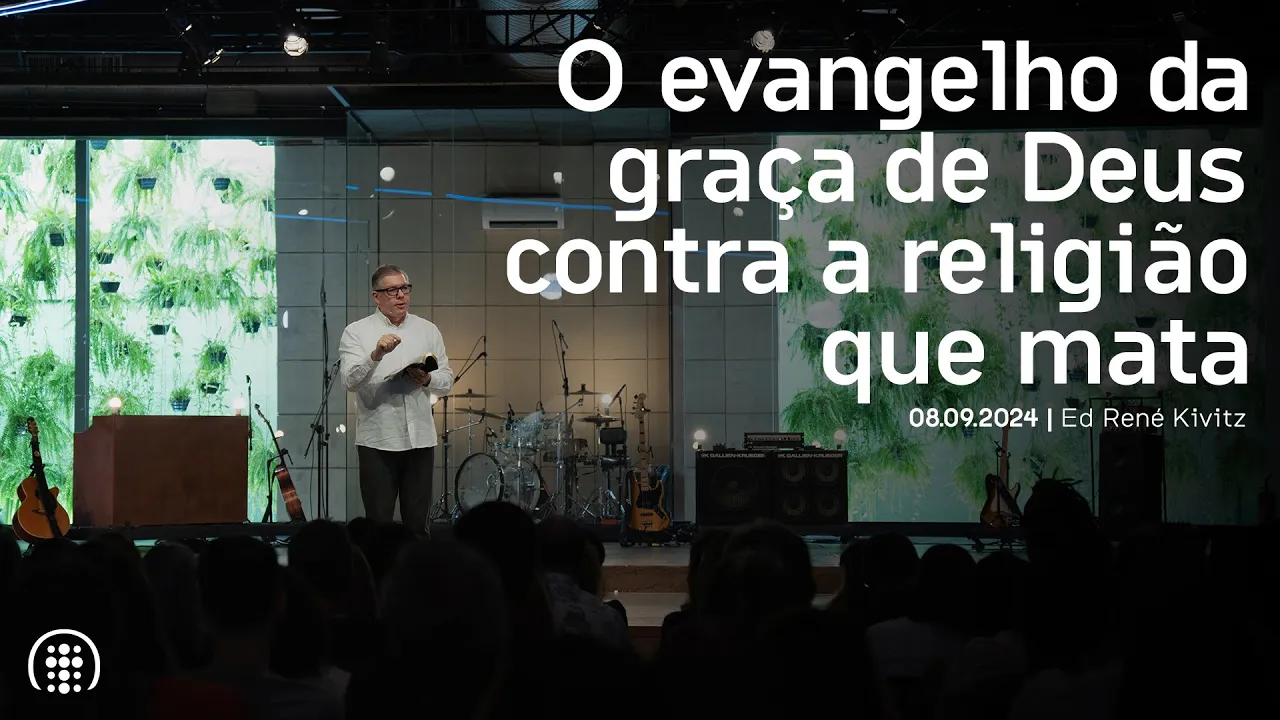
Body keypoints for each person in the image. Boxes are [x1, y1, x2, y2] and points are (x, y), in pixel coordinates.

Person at [339, 264, 453, 534]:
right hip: (378, 439)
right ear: (376, 297)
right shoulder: (356, 332)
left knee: (418, 526)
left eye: (404, 288)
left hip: (420, 438)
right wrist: (376, 355)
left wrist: (427, 379)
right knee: (379, 523)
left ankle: (416, 563)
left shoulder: (427, 329)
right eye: (392, 290)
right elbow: (350, 382)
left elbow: (447, 380)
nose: (401, 295)